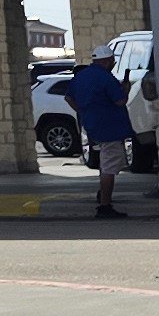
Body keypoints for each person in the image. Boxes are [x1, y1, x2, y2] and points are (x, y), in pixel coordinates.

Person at [63, 47, 136, 217]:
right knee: (109, 167)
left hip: (93, 126)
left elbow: (68, 97)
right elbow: (120, 101)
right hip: (110, 127)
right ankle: (105, 206)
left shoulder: (81, 76)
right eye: (112, 60)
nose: (113, 63)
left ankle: (103, 195)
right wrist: (126, 89)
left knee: (104, 164)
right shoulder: (105, 77)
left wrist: (83, 112)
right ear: (107, 60)